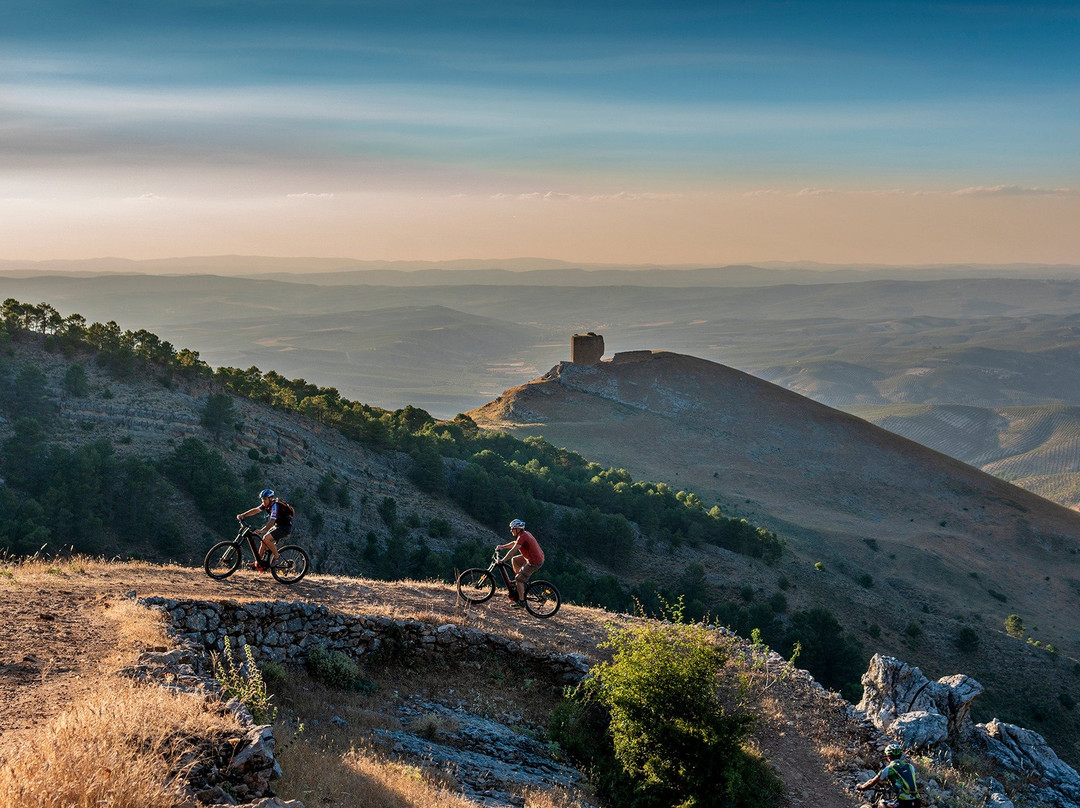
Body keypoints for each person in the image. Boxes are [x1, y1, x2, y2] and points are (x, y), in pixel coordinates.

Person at [236, 488, 293, 571]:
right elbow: (255, 510)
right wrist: (243, 515)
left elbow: (272, 521)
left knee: (266, 538)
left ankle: (277, 557)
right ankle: (258, 562)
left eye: (265, 499)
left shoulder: (275, 506)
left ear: (270, 498)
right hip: (278, 525)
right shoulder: (266, 505)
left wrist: (262, 530)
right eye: (262, 499)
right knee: (263, 541)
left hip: (285, 527)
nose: (263, 501)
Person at [496, 518, 544, 608]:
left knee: (519, 579)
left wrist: (503, 561)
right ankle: (518, 583)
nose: (511, 530)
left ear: (518, 529)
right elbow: (514, 543)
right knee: (515, 560)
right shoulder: (524, 534)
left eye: (512, 529)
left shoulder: (523, 536)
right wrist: (502, 546)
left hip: (534, 562)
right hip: (535, 557)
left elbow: (512, 551)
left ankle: (521, 602)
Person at [857, 743, 921, 807]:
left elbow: (871, 782)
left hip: (902, 802)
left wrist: (861, 787)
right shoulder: (910, 766)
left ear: (888, 757)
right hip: (916, 801)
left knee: (881, 803)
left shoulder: (888, 769)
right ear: (900, 755)